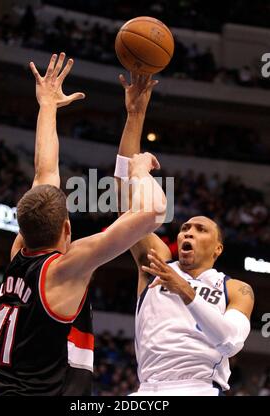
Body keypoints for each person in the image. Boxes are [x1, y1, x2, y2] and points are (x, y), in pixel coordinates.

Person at [0, 54, 167, 396]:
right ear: (67, 231)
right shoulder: (66, 267)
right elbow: (154, 210)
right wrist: (140, 170)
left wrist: (48, 106)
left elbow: (44, 174)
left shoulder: (18, 253)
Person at [114, 72, 255, 396]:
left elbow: (231, 341)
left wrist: (185, 291)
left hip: (198, 389)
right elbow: (124, 205)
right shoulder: (157, 264)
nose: (187, 232)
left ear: (217, 248)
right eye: (185, 227)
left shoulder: (236, 289)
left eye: (200, 229)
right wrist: (135, 115)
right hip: (146, 390)